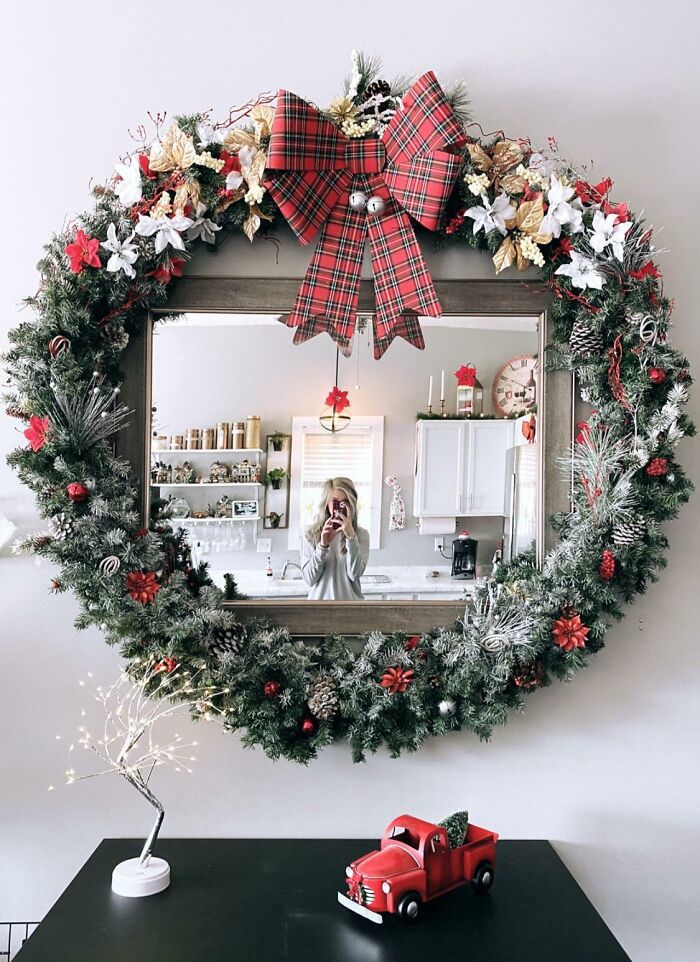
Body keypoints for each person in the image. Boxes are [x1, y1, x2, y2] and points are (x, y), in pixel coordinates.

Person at [301, 477, 370, 600]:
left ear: (352, 504)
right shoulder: (311, 534)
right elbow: (309, 579)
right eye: (335, 502)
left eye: (345, 502)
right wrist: (322, 546)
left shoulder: (361, 535)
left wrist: (351, 538)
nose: (340, 508)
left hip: (351, 610)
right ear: (326, 503)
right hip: (318, 610)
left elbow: (354, 575)